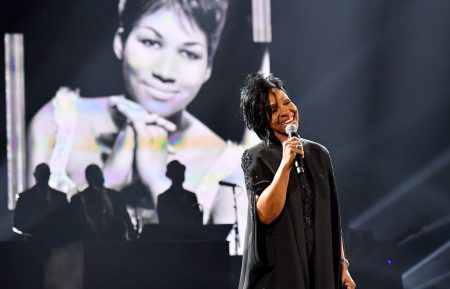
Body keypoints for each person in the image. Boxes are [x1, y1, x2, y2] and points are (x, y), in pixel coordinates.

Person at [27, 0, 238, 225]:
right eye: (151, 42)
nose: (166, 71)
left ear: (208, 67)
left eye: (188, 54)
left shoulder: (230, 166)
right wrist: (109, 178)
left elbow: (232, 261)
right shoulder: (58, 123)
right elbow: (31, 251)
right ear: (120, 41)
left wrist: (159, 182)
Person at [238, 73, 356, 289]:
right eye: (273, 110)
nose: (286, 112)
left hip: (320, 265)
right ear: (260, 119)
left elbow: (331, 216)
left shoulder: (319, 154)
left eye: (287, 102)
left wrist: (342, 265)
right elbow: (265, 214)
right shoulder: (256, 156)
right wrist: (285, 164)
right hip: (282, 267)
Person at [69, 164, 136, 241]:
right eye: (94, 174)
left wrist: (132, 234)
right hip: (95, 241)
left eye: (99, 173)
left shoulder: (115, 194)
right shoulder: (82, 197)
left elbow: (125, 215)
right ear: (88, 179)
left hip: (118, 238)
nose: (98, 176)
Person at [13, 163, 69, 242]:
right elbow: (18, 223)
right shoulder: (24, 198)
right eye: (41, 175)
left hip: (55, 243)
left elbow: (67, 220)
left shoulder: (61, 197)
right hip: (32, 243)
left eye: (44, 175)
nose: (43, 178)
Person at [157, 160, 202, 225]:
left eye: (182, 172)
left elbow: (198, 220)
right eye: (178, 172)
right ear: (172, 175)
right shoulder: (164, 198)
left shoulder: (191, 196)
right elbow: (164, 222)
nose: (181, 175)